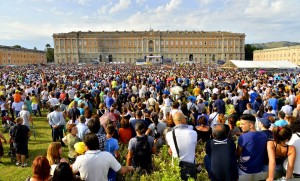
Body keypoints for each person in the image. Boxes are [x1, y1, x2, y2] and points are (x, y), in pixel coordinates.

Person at [166, 112, 197, 180]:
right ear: (182, 120)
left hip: (177, 167)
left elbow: (171, 148)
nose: (186, 119)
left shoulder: (169, 135)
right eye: (185, 118)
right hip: (191, 167)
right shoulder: (193, 133)